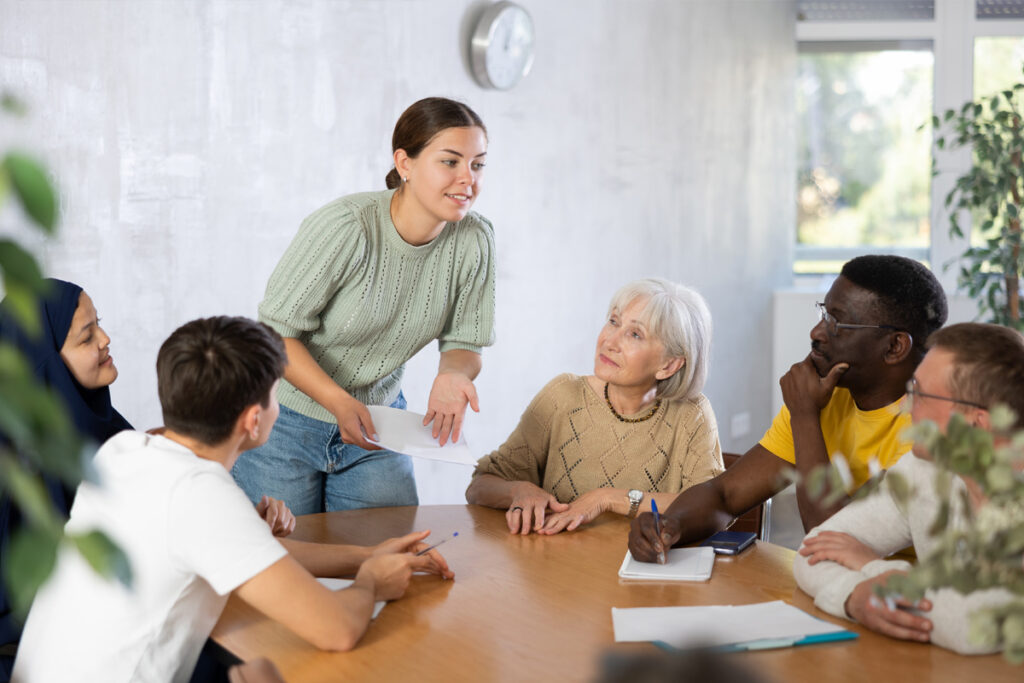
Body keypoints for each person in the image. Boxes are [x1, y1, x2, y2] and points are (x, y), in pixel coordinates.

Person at [12, 316, 453, 683]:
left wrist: (366, 555)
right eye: (277, 396)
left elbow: (254, 554)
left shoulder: (124, 452)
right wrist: (372, 581)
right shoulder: (200, 494)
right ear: (252, 419)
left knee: (256, 669)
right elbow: (336, 630)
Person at [0, 281, 293, 678]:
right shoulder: (14, 472)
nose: (105, 339)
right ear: (44, 365)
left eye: (98, 324)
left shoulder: (113, 436)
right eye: (87, 337)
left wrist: (235, 529)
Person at [232, 96, 495, 515]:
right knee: (285, 561)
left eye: (478, 164)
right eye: (450, 161)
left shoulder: (474, 240)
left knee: (388, 561)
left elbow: (466, 339)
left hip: (379, 424)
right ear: (404, 164)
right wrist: (338, 403)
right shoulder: (346, 227)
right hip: (280, 422)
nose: (468, 179)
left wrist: (452, 373)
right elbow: (274, 336)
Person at [628, 255, 948, 562]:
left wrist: (805, 415)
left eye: (838, 323)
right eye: (824, 314)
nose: (817, 332)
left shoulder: (932, 428)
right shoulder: (828, 396)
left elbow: (838, 541)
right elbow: (726, 495)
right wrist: (670, 526)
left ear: (894, 347)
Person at [794, 322, 1023, 655]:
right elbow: (814, 550)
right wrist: (853, 597)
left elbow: (972, 625)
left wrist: (872, 566)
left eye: (921, 393)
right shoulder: (922, 469)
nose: (905, 405)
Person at [466, 278, 723, 535]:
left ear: (668, 365)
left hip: (643, 571)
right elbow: (479, 486)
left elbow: (711, 509)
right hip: (556, 567)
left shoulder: (692, 415)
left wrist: (607, 498)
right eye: (613, 322)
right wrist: (518, 491)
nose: (610, 342)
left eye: (635, 334)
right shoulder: (562, 396)